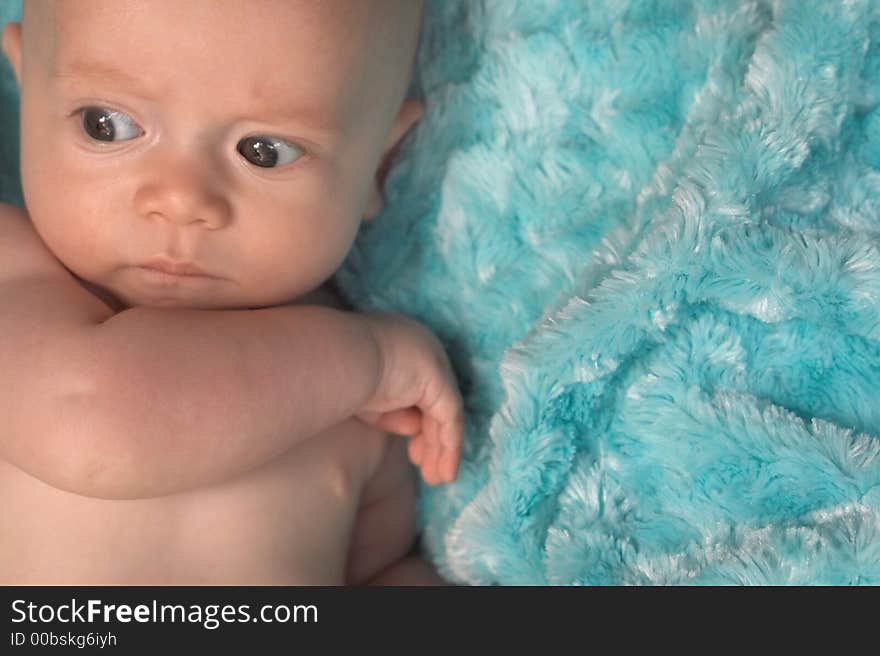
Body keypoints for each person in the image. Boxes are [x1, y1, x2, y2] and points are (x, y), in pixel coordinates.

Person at [0, 0, 464, 585]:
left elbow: (385, 573)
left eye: (264, 151)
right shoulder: (11, 275)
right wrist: (368, 361)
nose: (182, 200)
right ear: (26, 96)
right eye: (106, 124)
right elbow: (85, 422)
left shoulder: (364, 411)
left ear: (379, 162)